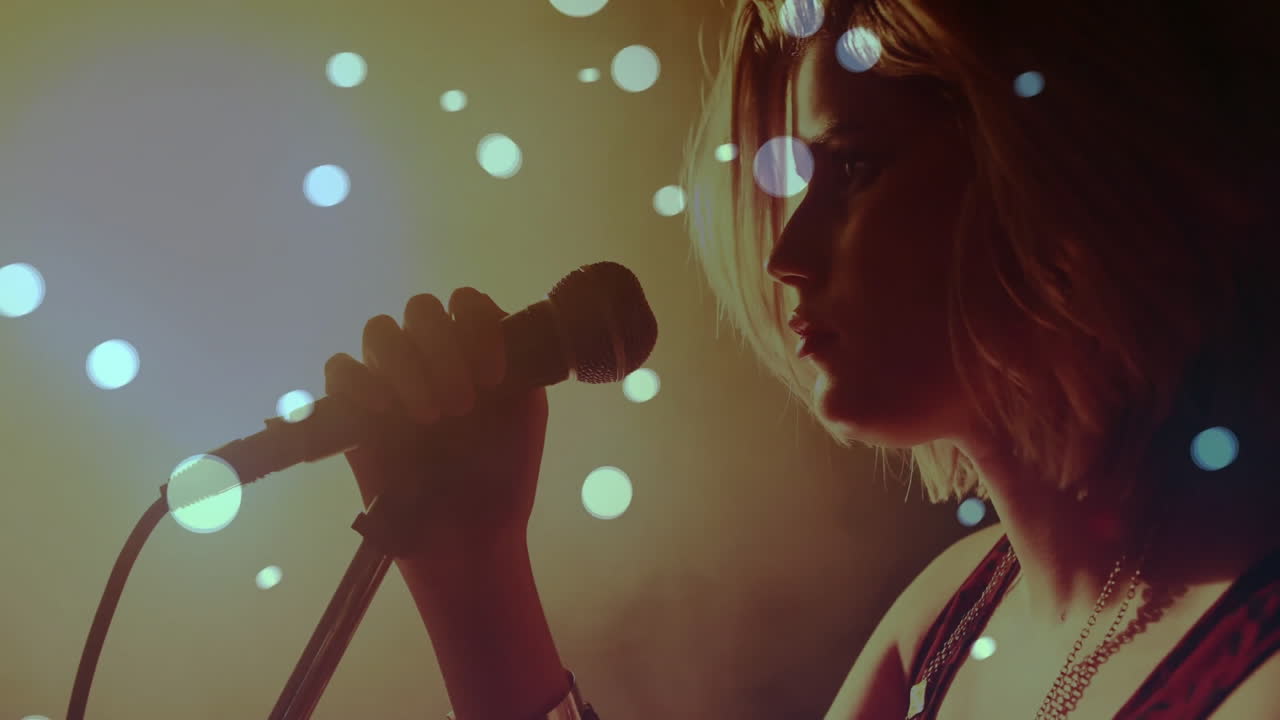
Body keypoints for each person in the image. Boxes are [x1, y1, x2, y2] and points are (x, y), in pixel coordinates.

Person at [322, 0, 1280, 717]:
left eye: (857, 168)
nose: (787, 255)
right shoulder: (946, 625)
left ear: (1056, 154)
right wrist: (477, 581)